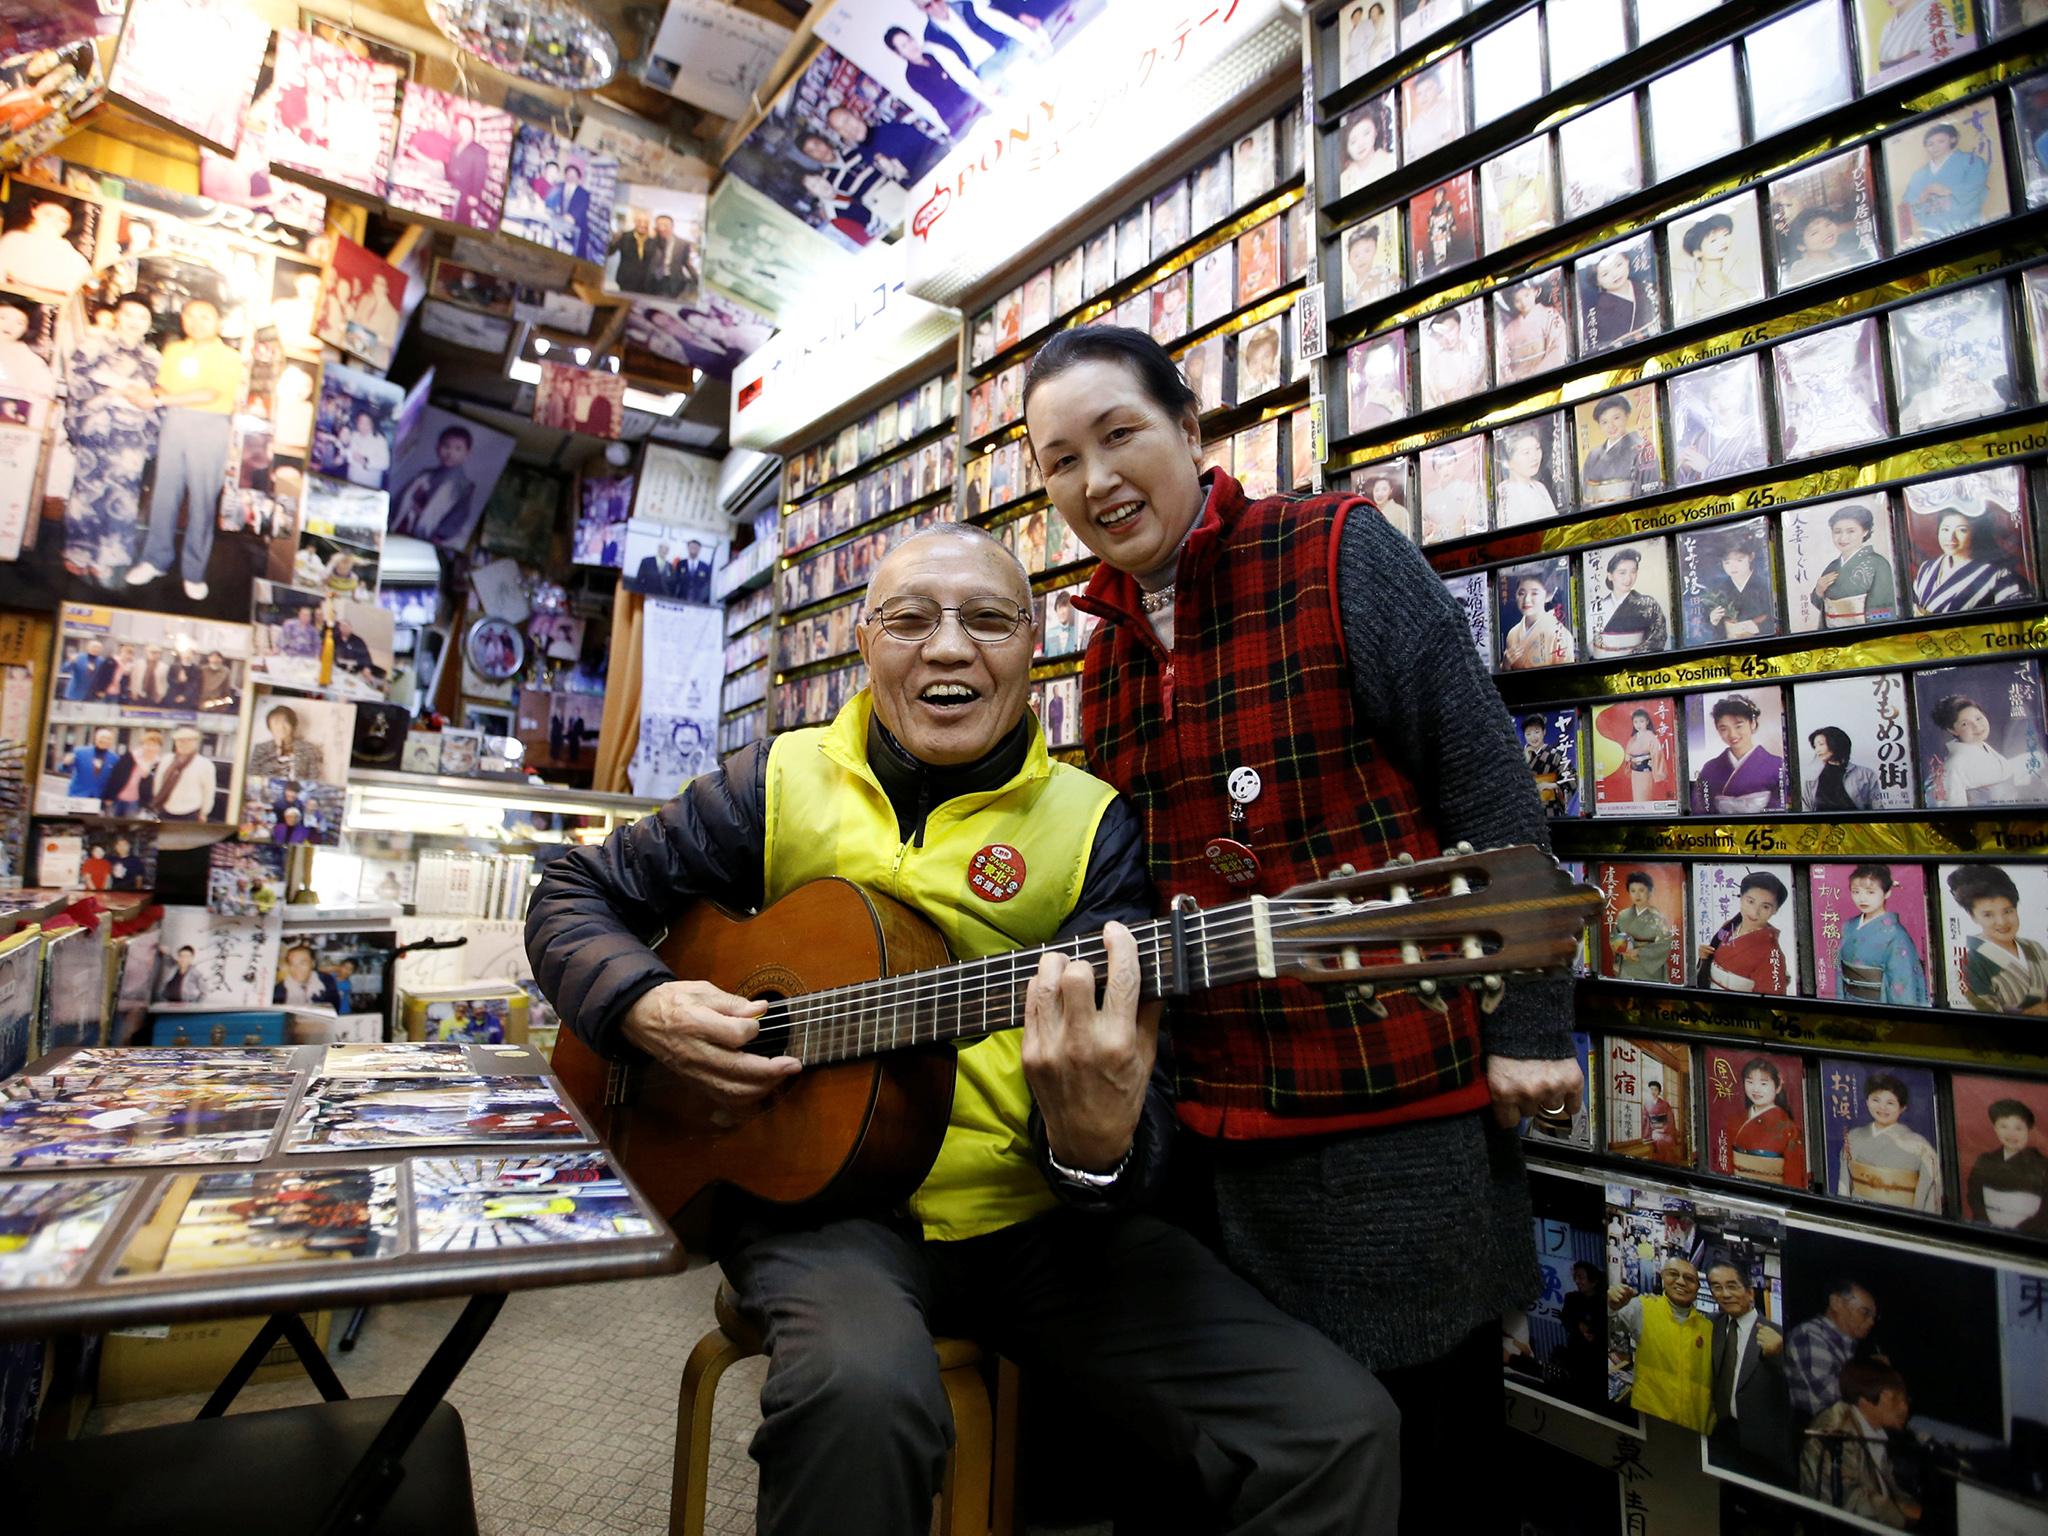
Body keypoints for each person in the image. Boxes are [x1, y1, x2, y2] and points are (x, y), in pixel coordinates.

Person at [525, 523, 1397, 1535]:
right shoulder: (778, 778)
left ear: (1034, 650)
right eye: (908, 618)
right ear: (863, 640)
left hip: (1035, 1224)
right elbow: (572, 891)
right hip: (824, 1221)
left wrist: (1093, 1146)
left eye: (987, 620)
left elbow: (1124, 1128)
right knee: (860, 1394)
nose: (947, 648)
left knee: (1337, 1427)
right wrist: (641, 1005)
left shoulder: (1091, 824)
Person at [1022, 326, 1577, 1532]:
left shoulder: (1335, 551)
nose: (1096, 479)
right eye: (1060, 460)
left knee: (1419, 1461)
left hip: (1386, 1117)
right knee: (1255, 1472)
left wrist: (1533, 1017)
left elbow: (1486, 785)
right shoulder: (1103, 650)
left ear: (1189, 427)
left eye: (1119, 434)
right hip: (1204, 1137)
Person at [130, 297, 244, 602]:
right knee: (163, 495)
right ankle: (155, 560)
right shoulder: (175, 350)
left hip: (211, 426)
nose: (196, 321)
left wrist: (157, 400)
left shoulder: (230, 356)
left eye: (205, 316)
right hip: (174, 423)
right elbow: (165, 387)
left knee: (202, 502)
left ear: (219, 323)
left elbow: (211, 393)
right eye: (190, 315)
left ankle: (194, 572)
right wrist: (146, 393)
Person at [64, 293, 162, 583]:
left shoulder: (154, 358)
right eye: (129, 314)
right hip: (97, 424)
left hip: (132, 433)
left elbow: (159, 398)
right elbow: (77, 379)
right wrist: (110, 393)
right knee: (87, 489)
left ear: (149, 324)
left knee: (123, 494)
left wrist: (146, 409)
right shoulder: (94, 344)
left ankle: (109, 555)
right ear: (117, 316)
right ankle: (78, 551)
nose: (134, 322)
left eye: (142, 317)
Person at [1798, 1359, 1922, 1529]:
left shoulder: (1876, 1432)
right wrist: (1903, 1518)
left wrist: (1913, 1510)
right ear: (1872, 1398)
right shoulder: (1834, 1431)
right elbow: (1847, 1499)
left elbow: (1890, 1491)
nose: (1905, 1408)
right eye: (1898, 1398)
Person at [1706, 1260, 1793, 1481]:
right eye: (1717, 1287)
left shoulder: (1779, 1336)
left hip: (1761, 1450)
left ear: (1749, 1292)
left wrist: (1779, 1354)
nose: (1725, 1294)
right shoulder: (1710, 1324)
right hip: (1718, 1437)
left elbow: (1797, 1390)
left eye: (1732, 1286)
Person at [1608, 1257, 1713, 1430]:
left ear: (1698, 1287)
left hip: (1695, 1429)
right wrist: (1610, 1306)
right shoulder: (1643, 1307)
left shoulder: (1708, 1328)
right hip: (1650, 1424)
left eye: (1689, 1278)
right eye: (1673, 1274)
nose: (1681, 1281)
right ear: (1662, 1277)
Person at [1946, 863, 2048, 1014]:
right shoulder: (1970, 963)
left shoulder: (2034, 947)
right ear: (1973, 916)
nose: (2002, 922)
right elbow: (1987, 1016)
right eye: (1988, 914)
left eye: (2008, 911)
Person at [1838, 1072, 1941, 1210]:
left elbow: (1930, 1190)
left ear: (1902, 1107)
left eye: (1890, 1103)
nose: (1882, 1107)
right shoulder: (1853, 1137)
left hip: (1902, 1218)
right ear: (1867, 1101)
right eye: (1876, 1100)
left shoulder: (1920, 1146)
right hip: (1860, 1213)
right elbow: (1844, 1184)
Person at [1830, 865, 1928, 1005]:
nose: (1862, 898)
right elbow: (1840, 971)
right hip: (1849, 1002)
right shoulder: (1849, 926)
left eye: (1870, 892)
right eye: (1856, 892)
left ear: (1887, 892)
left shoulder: (1896, 935)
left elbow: (1902, 984)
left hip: (1878, 1005)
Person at [1786, 1279, 1880, 1420]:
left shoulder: (1851, 1344)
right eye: (1865, 1312)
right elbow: (1831, 1394)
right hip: (1810, 1432)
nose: (1872, 1322)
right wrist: (1875, 1376)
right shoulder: (1810, 1334)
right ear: (1836, 1303)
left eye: (1874, 1316)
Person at [1911, 508, 2031, 613]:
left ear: (1975, 533)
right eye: (1945, 530)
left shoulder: (1999, 574)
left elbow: (2014, 623)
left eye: (1962, 530)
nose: (1951, 538)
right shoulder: (1926, 568)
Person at [884, 25, 994, 137]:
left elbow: (956, 74)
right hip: (955, 116)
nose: (911, 46)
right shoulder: (912, 76)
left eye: (910, 40)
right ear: (899, 53)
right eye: (904, 46)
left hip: (969, 99)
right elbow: (942, 95)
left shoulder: (931, 54)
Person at [1930, 691, 2037, 806]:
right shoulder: (1954, 766)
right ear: (1952, 730)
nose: (1976, 726)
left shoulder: (1983, 747)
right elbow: (1953, 809)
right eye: (1965, 724)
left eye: (1978, 718)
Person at [1896, 120, 1989, 243]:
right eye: (1930, 144)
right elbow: (1907, 205)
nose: (1935, 147)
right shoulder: (1919, 175)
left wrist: (1948, 190)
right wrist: (1921, 199)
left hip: (1969, 226)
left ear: (1952, 140)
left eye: (1941, 141)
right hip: (1932, 236)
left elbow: (1977, 185)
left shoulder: (1971, 161)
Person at [1698, 873, 1790, 995]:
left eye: (1765, 907)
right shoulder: (1728, 927)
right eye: (1750, 901)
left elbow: (1770, 1000)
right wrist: (1704, 955)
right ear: (1741, 898)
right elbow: (1714, 948)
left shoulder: (1771, 953)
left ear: (1775, 910)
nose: (1754, 912)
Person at [1807, 501, 1897, 626]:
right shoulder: (1832, 566)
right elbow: (1820, 604)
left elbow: (1883, 610)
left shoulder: (1878, 564)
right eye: (1837, 531)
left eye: (1851, 531)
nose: (1843, 538)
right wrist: (1818, 591)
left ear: (1865, 531)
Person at [1966, 1096, 2048, 1231]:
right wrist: (1986, 1225)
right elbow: (1974, 1196)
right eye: (2003, 1126)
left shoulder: (2043, 1165)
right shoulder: (1985, 1160)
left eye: (2018, 1128)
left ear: (2029, 1130)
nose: (2011, 1134)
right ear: (1995, 1128)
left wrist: (2019, 1232)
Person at [1693, 694, 1785, 814]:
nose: (1732, 735)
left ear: (1753, 724)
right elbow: (1701, 808)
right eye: (1724, 728)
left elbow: (1780, 808)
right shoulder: (1710, 768)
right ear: (1718, 730)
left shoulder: (1776, 765)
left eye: (1738, 726)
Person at [1674, 366, 1766, 485]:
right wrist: (1686, 468)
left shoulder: (1756, 429)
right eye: (1715, 398)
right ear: (1708, 404)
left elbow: (1757, 473)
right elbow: (1688, 482)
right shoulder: (1701, 436)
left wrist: (1708, 468)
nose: (1723, 403)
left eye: (1729, 394)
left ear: (1741, 396)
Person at [1728, 1058, 1805, 1185]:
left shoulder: (1789, 1129)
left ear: (1778, 1085)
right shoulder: (1736, 1120)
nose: (1756, 1089)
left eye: (1763, 1083)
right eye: (1750, 1082)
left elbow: (1793, 1179)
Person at [0, 195, 90, 295]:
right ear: (34, 210)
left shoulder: (73, 258)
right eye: (48, 214)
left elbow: (82, 286)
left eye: (63, 219)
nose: (54, 222)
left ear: (69, 225)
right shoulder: (13, 240)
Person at [1590, 547, 1668, 657]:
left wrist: (1629, 657)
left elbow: (1658, 638)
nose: (1628, 578)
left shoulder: (1648, 604)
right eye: (1622, 573)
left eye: (1633, 572)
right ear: (1610, 575)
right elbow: (1587, 644)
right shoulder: (1597, 607)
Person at [1580, 393, 1655, 504]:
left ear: (1627, 415)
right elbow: (1582, 492)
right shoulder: (1593, 455)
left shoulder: (1643, 449)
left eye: (1616, 418)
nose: (1611, 426)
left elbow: (1649, 493)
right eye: (1604, 422)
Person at [1677, 213, 1752, 318]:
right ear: (1697, 251)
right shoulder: (1701, 286)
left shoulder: (1726, 277)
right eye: (1713, 240)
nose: (1723, 242)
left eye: (1725, 234)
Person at [1704, 537, 1776, 642]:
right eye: (1727, 562)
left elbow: (1774, 618)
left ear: (1751, 557)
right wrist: (1713, 620)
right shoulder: (1719, 591)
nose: (1733, 567)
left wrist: (1757, 626)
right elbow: (1711, 630)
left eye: (1739, 560)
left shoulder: (1764, 585)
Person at [1582, 247, 1653, 352]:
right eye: (1605, 274)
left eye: (1618, 265)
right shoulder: (1598, 315)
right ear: (1597, 282)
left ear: (1627, 261)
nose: (1615, 275)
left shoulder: (1647, 287)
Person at [1501, 569, 1574, 669]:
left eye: (1534, 593)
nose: (1526, 600)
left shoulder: (1560, 635)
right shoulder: (1512, 634)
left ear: (1548, 596)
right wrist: (1506, 665)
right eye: (1521, 593)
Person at [1496, 281, 1568, 382]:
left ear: (1536, 291)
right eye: (1517, 300)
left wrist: (1537, 374)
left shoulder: (1551, 316)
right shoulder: (1509, 330)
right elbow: (1502, 360)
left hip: (1547, 376)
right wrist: (1511, 379)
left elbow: (1558, 347)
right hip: (1518, 382)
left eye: (1526, 295)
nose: (1523, 303)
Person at [1803, 726, 1881, 811]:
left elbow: (1877, 809)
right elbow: (1806, 810)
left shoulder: (1866, 774)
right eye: (1815, 746)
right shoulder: (1812, 778)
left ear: (1836, 743)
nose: (1817, 750)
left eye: (1821, 744)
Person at [152, 725, 218, 822]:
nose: (184, 744)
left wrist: (204, 812)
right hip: (165, 810)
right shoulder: (167, 759)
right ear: (175, 743)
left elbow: (208, 791)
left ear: (195, 742)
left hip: (190, 813)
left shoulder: (205, 764)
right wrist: (158, 801)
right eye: (180, 740)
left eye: (188, 740)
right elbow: (158, 782)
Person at [250, 701, 324, 781]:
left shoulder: (308, 748)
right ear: (269, 726)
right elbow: (252, 777)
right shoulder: (261, 749)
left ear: (293, 725)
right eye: (276, 722)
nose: (281, 727)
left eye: (285, 722)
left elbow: (314, 779)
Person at [104, 729, 163, 817]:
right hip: (117, 798)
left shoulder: (159, 764)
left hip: (136, 802)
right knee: (111, 824)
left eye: (154, 745)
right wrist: (109, 796)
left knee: (130, 826)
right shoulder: (130, 757)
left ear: (159, 748)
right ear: (142, 745)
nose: (150, 748)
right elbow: (115, 776)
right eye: (147, 744)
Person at [1338, 106, 1394, 195]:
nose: (1361, 144)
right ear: (1346, 147)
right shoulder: (1343, 180)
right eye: (1353, 141)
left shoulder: (1391, 162)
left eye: (1366, 133)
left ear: (1376, 131)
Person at [275, 942, 340, 1007]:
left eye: (302, 963)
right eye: (292, 964)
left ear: (312, 964)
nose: (297, 969)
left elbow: (335, 1005)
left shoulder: (326, 980)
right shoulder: (279, 990)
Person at [607, 208, 654, 293]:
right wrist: (613, 240)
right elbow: (609, 252)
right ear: (635, 222)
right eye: (639, 221)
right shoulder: (624, 236)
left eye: (646, 222)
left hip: (645, 284)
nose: (642, 224)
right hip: (626, 280)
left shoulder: (653, 240)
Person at [341, 408, 390, 489]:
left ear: (372, 424)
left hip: (369, 485)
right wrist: (344, 445)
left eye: (367, 423)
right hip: (351, 482)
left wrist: (366, 461)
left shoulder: (379, 440)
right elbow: (345, 453)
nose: (363, 426)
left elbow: (385, 464)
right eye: (361, 422)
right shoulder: (354, 435)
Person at [67, 726, 119, 800]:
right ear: (96, 738)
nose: (105, 740)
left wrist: (110, 797)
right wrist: (66, 764)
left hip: (99, 799)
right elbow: (64, 769)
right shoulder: (80, 752)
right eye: (102, 737)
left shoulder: (115, 758)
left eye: (108, 739)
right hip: (78, 796)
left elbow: (114, 781)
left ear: (112, 741)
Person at [1643, 1077, 1684, 1163]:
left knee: (1669, 1140)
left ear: (1659, 1091)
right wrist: (1648, 1133)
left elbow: (1670, 1119)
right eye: (1651, 1089)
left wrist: (1664, 1129)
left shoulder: (1665, 1104)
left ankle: (1669, 1163)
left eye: (1655, 1089)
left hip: (1666, 1130)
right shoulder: (1646, 1104)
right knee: (1658, 1139)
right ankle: (1663, 1163)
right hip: (1654, 1130)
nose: (1653, 1092)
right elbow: (1646, 1120)